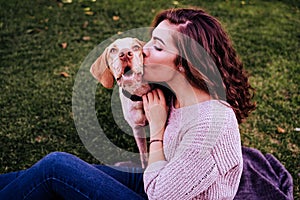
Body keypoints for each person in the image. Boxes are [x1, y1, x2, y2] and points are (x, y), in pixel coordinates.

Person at [0, 8, 256, 199]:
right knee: (45, 174)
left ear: (184, 63)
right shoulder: (177, 96)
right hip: (164, 179)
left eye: (157, 46)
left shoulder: (210, 126)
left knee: (56, 167)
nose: (142, 50)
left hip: (159, 193)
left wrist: (156, 131)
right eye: (149, 40)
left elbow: (158, 194)